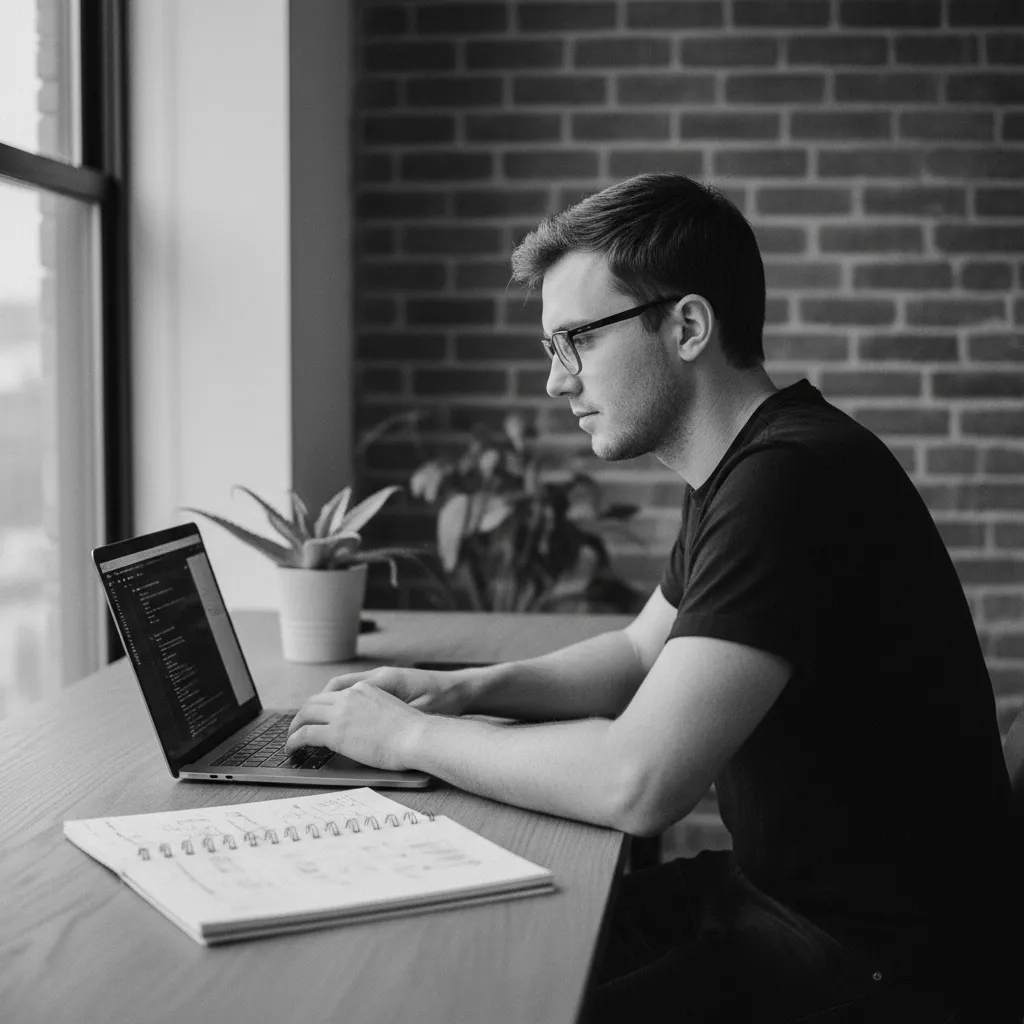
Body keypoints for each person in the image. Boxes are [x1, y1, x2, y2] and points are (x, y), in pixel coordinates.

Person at [286, 174, 1017, 1022]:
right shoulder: (751, 466)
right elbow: (640, 654)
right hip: (778, 902)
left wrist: (410, 735)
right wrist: (456, 690)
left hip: (873, 966)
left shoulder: (791, 482)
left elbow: (639, 784)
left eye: (577, 342)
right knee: (463, 961)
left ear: (688, 326)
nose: (557, 383)